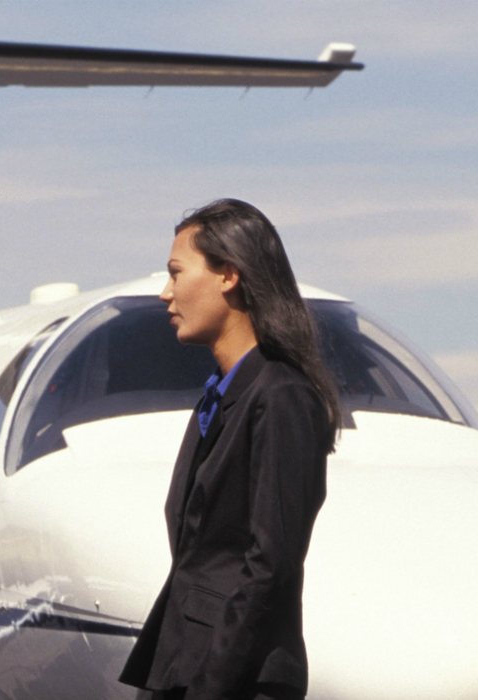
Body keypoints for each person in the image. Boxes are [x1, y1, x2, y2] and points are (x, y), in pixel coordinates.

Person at [120, 199, 342, 700]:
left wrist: (210, 687)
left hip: (235, 680)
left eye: (177, 273)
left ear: (229, 275)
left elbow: (271, 564)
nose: (165, 293)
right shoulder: (220, 396)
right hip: (185, 669)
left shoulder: (282, 396)